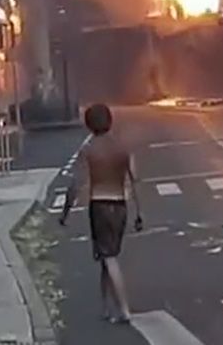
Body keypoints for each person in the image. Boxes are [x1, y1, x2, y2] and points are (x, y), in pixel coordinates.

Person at [60, 103, 144, 323]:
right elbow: (134, 179)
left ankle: (124, 309)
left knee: (108, 257)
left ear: (89, 124)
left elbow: (75, 184)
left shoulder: (88, 150)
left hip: (100, 206)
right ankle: (106, 307)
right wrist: (139, 213)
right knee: (106, 256)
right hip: (120, 206)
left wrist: (65, 213)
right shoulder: (123, 146)